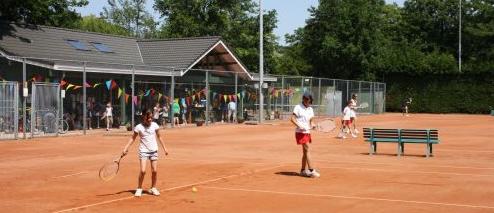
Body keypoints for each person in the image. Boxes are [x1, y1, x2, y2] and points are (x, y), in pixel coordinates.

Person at [122, 110, 169, 197]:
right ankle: (139, 188)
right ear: (144, 118)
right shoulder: (138, 127)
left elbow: (159, 136)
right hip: (143, 151)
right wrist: (126, 148)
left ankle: (153, 188)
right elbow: (132, 138)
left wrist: (165, 148)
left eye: (151, 117)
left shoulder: (155, 125)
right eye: (148, 118)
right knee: (143, 171)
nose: (150, 119)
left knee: (154, 171)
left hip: (154, 150)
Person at [290, 92, 320, 178]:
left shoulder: (310, 109)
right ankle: (311, 170)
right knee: (307, 149)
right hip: (300, 132)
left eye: (308, 100)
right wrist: (300, 126)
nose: (307, 101)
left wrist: (313, 125)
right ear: (303, 99)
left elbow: (311, 121)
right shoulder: (298, 107)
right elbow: (292, 119)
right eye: (305, 99)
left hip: (307, 132)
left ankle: (303, 170)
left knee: (305, 152)